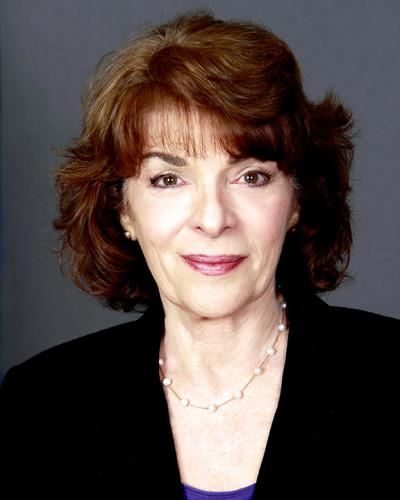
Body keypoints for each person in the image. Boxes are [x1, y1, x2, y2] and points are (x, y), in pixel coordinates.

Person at [0, 10, 398, 498]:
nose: (213, 219)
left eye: (250, 176)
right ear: (123, 209)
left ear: (297, 200)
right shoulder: (39, 405)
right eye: (169, 179)